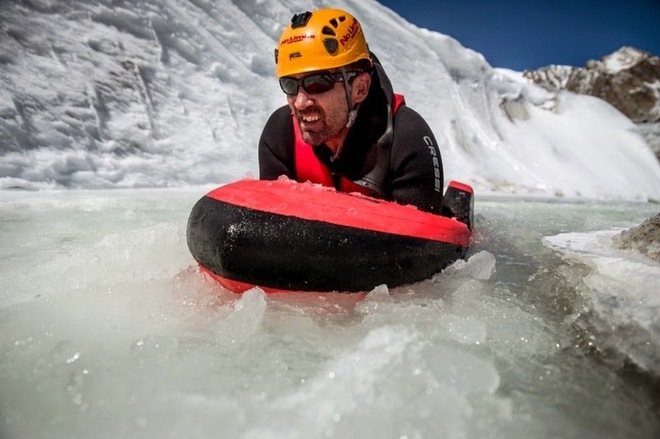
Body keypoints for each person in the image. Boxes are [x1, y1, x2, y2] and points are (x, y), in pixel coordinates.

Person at [258, 8, 444, 214]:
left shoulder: (407, 138)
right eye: (290, 85)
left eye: (317, 84)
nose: (300, 102)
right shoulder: (281, 132)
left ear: (360, 89)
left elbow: (421, 242)